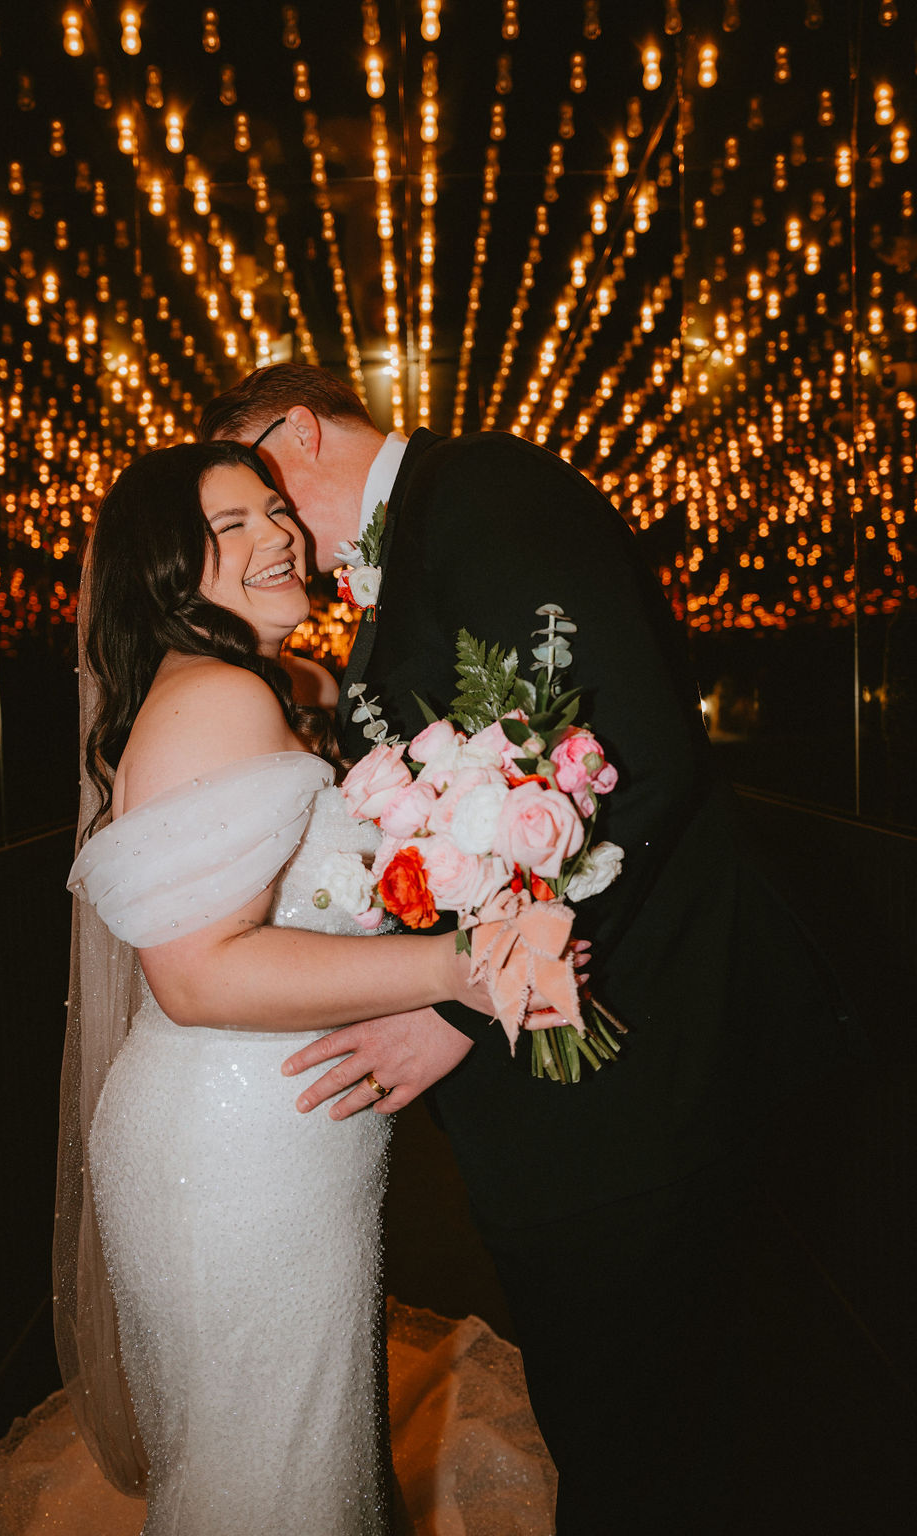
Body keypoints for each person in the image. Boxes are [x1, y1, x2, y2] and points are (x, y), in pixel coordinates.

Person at [198, 364, 859, 1535]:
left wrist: (457, 1004)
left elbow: (625, 756)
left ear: (298, 431)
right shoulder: (410, 556)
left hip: (636, 1073)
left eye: (262, 493)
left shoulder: (486, 490)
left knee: (647, 1445)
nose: (275, 534)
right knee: (625, 1421)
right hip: (573, 1100)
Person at [53, 439, 492, 1536]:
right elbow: (200, 975)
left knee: (299, 1453)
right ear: (166, 572)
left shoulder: (286, 690)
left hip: (279, 1120)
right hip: (233, 1145)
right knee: (269, 1476)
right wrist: (463, 966)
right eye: (232, 525)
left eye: (275, 510)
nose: (280, 535)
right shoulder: (215, 699)